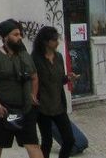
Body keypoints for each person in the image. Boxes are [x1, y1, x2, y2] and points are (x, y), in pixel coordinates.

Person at [0, 18, 44, 158]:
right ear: (5, 37)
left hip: (25, 108)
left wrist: (33, 95)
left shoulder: (24, 55)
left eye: (20, 34)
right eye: (15, 34)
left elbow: (34, 76)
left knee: (32, 144)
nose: (19, 37)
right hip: (3, 110)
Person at [32, 26, 77, 158]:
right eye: (54, 40)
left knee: (69, 140)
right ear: (46, 42)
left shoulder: (58, 57)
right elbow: (32, 80)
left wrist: (68, 78)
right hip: (43, 107)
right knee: (47, 142)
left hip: (58, 105)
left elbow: (59, 79)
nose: (57, 42)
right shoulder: (35, 58)